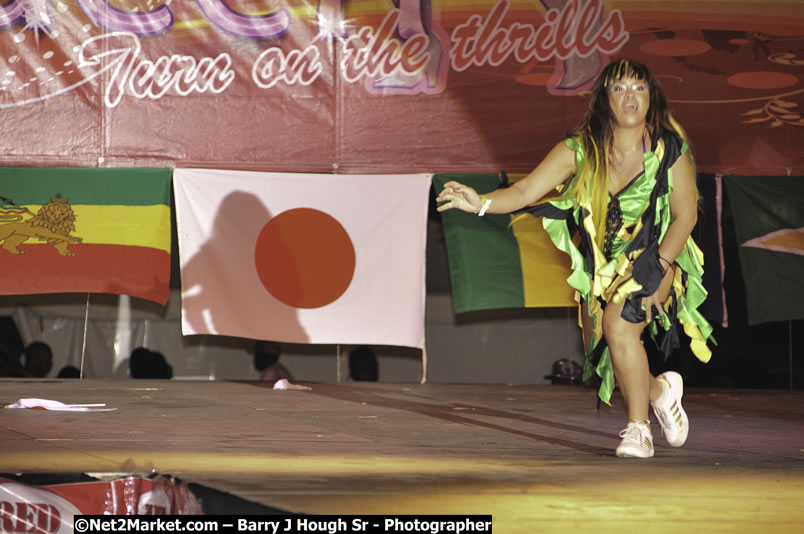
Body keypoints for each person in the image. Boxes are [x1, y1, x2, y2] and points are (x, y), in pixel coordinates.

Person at [436, 59, 713, 459]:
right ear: (605, 99)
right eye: (619, 88)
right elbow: (526, 191)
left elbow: (685, 215)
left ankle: (639, 431)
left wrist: (661, 267)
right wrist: (480, 204)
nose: (630, 96)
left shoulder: (669, 149)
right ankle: (661, 391)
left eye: (639, 87)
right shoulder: (580, 150)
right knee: (609, 348)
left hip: (658, 254)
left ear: (651, 98)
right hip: (601, 265)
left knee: (620, 327)